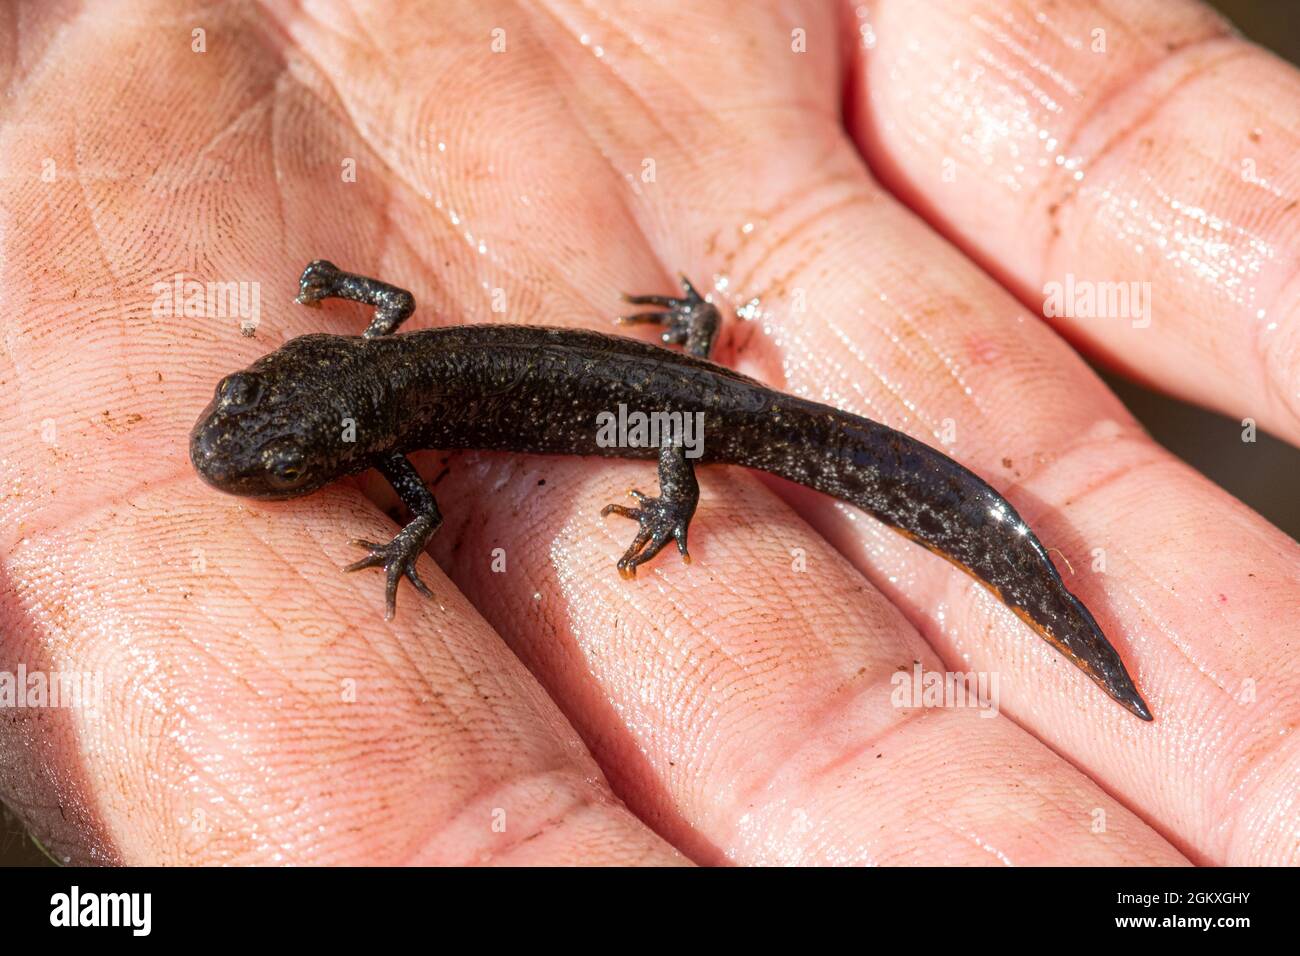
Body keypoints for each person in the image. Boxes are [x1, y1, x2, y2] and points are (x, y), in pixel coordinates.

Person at [0, 0, 1295, 865]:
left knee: (695, 434)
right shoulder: (382, 354)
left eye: (274, 450)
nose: (247, 451)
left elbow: (430, 506)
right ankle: (703, 395)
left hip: (687, 413)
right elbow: (400, 363)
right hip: (677, 386)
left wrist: (445, 538)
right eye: (264, 441)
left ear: (330, 403)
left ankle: (945, 563)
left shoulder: (387, 409)